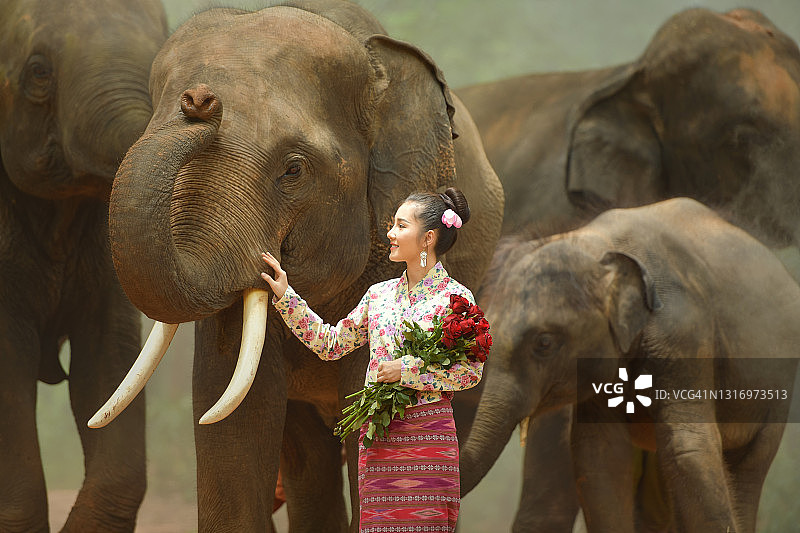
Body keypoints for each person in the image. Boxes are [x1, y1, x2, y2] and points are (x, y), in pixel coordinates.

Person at [260, 187, 484, 532]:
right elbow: (331, 344)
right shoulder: (378, 296)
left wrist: (405, 371)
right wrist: (285, 297)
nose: (390, 234)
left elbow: (469, 372)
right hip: (378, 435)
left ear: (427, 238)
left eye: (400, 226)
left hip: (427, 436)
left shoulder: (455, 300)